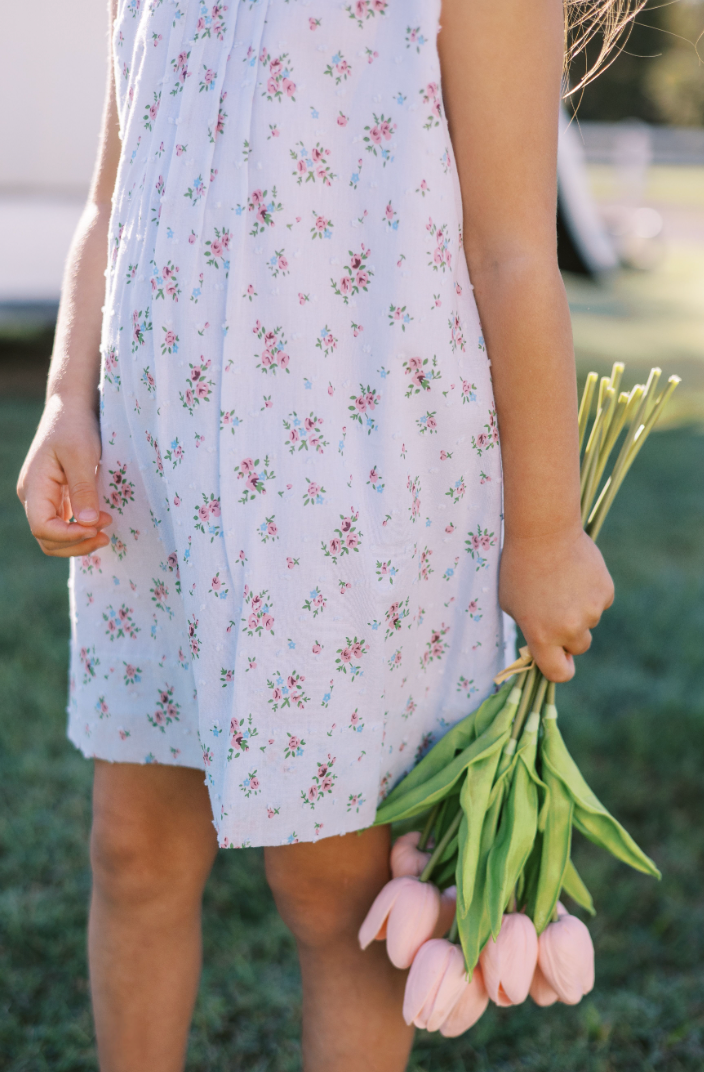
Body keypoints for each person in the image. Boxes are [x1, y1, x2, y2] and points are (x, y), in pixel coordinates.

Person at [17, 1, 617, 1069]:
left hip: (344, 492)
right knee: (134, 848)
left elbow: (514, 253)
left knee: (332, 891)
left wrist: (544, 531)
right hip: (155, 481)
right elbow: (110, 202)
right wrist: (67, 399)